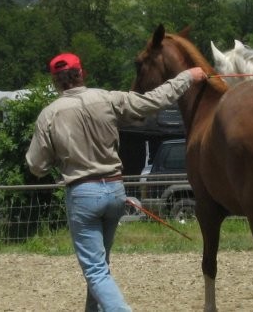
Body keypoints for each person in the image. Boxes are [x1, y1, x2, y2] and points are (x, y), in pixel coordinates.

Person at [26, 52, 206, 312]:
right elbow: (154, 101)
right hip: (114, 190)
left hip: (83, 194)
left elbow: (36, 166)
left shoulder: (49, 115)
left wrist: (59, 159)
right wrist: (186, 77)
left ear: (56, 82)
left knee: (96, 271)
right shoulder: (108, 98)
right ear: (81, 73)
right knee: (100, 266)